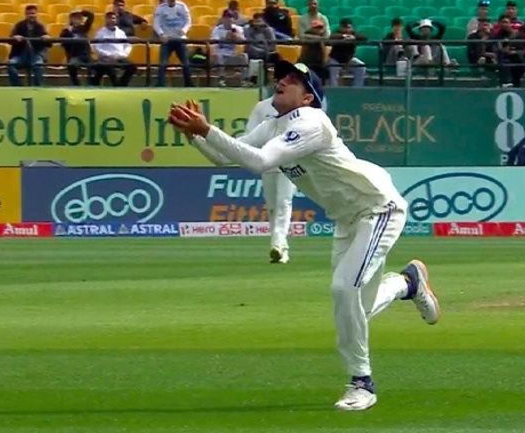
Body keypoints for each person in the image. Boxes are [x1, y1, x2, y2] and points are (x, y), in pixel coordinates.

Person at [169, 60, 440, 411]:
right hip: (347, 219)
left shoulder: (312, 122)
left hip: (378, 210)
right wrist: (195, 136)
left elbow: (260, 162)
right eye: (282, 76)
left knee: (344, 289)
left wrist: (207, 130)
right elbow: (225, 158)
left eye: (293, 79)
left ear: (309, 97)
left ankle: (362, 383)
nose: (282, 81)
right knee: (359, 306)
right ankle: (408, 283)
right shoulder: (273, 124)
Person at [243, 96, 296, 263]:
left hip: (289, 162)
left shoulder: (295, 105)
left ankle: (278, 244)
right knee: (273, 207)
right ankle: (280, 248)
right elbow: (250, 134)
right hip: (267, 163)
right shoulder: (262, 107)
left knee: (283, 202)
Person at [154, 0, 193, 87]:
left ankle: (189, 85)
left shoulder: (182, 6)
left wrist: (184, 30)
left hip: (180, 39)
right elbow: (156, 23)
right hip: (167, 40)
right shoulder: (161, 8)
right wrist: (161, 34)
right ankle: (160, 85)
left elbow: (188, 20)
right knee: (162, 64)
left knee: (186, 64)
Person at [8, 5, 50, 87]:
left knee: (39, 66)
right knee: (11, 64)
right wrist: (14, 37)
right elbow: (10, 39)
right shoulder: (19, 25)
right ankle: (17, 87)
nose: (31, 15)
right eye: (29, 14)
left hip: (35, 54)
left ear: (36, 14)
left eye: (33, 13)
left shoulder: (40, 26)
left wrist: (46, 37)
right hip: (20, 54)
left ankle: (36, 88)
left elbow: (48, 42)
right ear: (25, 15)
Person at [91, 11, 136, 87]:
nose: (112, 20)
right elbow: (97, 46)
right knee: (108, 68)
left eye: (113, 18)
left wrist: (123, 54)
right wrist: (108, 55)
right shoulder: (101, 33)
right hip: (106, 57)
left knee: (132, 67)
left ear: (116, 20)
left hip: (120, 56)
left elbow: (127, 45)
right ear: (106, 19)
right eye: (109, 18)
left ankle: (122, 85)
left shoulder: (121, 32)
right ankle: (115, 85)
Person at [210, 10, 248, 87]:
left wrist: (237, 36)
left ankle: (244, 80)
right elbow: (214, 43)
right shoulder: (217, 29)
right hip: (221, 54)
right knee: (219, 56)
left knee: (244, 56)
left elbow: (244, 41)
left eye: (231, 18)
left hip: (232, 55)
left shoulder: (238, 29)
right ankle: (221, 80)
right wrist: (225, 38)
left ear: (233, 19)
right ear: (223, 19)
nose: (229, 20)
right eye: (227, 17)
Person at [59, 10, 95, 86]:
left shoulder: (84, 28)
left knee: (98, 66)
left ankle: (92, 84)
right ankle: (76, 85)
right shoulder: (66, 31)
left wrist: (82, 12)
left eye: (79, 18)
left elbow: (91, 16)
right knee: (72, 65)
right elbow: (62, 43)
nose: (78, 20)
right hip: (74, 55)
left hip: (86, 55)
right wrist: (69, 32)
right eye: (75, 18)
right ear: (71, 19)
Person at [328, 18, 367, 87]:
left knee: (361, 67)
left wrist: (353, 37)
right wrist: (343, 36)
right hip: (335, 59)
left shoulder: (354, 34)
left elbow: (364, 37)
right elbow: (331, 37)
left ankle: (357, 89)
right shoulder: (337, 33)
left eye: (349, 27)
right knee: (333, 69)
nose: (347, 29)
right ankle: (334, 89)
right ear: (341, 28)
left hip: (349, 60)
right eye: (344, 27)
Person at [245, 13, 279, 84]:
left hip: (267, 52)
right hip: (254, 53)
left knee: (275, 56)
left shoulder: (269, 30)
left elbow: (272, 45)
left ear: (264, 22)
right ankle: (253, 80)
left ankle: (275, 80)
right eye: (256, 21)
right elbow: (249, 45)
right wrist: (261, 50)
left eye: (259, 21)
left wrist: (265, 50)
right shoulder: (248, 30)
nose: (257, 24)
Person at [492, 14, 524, 88]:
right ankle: (507, 82)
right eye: (503, 22)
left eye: (506, 22)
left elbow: (522, 48)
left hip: (516, 58)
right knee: (504, 60)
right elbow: (496, 49)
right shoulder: (497, 35)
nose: (504, 24)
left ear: (510, 23)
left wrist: (514, 51)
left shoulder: (517, 35)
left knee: (516, 58)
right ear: (499, 23)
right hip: (503, 58)